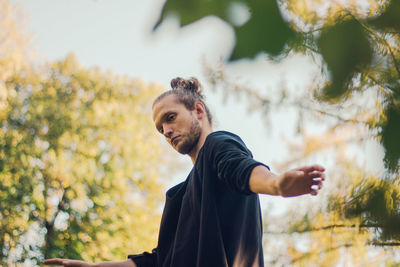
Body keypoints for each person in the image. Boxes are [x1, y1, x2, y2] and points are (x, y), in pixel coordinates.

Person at [44, 77, 325, 267]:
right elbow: (158, 261)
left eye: (170, 118)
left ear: (198, 111)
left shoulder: (218, 145)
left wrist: (278, 185)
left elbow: (240, 169)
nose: (166, 131)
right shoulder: (178, 196)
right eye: (160, 128)